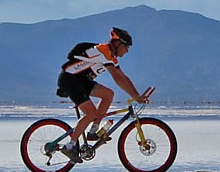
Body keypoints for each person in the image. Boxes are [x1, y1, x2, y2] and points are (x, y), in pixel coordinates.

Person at [55, 27, 150, 163]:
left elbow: (123, 77)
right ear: (118, 44)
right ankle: (70, 146)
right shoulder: (104, 51)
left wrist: (137, 95)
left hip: (81, 80)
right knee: (91, 113)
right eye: (126, 47)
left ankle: (93, 132)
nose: (127, 51)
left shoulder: (111, 56)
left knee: (108, 94)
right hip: (70, 79)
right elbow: (117, 78)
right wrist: (136, 96)